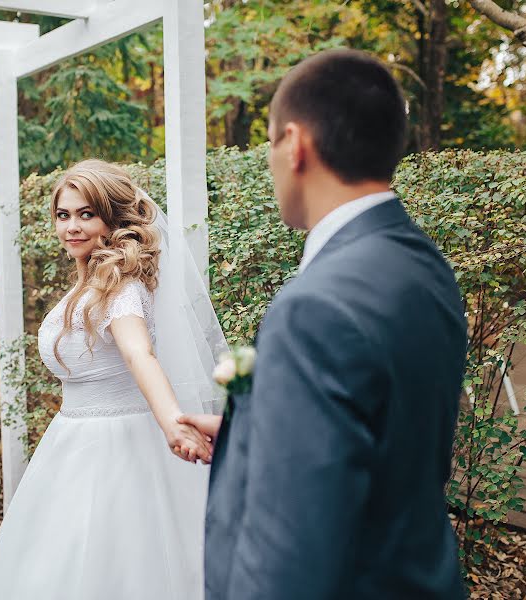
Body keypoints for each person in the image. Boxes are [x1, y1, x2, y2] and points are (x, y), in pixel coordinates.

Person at [180, 48, 468, 599]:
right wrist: (256, 432)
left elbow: (290, 554)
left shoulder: (314, 307)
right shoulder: (425, 265)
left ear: (295, 145)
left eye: (268, 143)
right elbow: (381, 430)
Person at [0, 159, 223, 600]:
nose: (72, 226)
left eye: (86, 214)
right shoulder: (88, 283)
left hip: (117, 448)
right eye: (64, 214)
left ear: (112, 218)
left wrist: (171, 421)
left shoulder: (121, 288)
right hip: (70, 441)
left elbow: (137, 352)